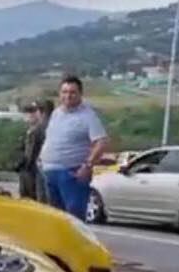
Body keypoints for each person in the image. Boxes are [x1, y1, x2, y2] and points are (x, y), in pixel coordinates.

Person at [38, 76, 109, 220]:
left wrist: (87, 165)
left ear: (80, 94)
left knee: (73, 218)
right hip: (49, 172)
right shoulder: (56, 113)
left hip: (71, 173)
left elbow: (101, 141)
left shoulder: (88, 116)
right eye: (64, 92)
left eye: (72, 92)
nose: (67, 96)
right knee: (54, 218)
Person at [15, 101, 47, 201]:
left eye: (33, 111)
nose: (29, 115)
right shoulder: (28, 131)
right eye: (27, 112)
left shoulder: (41, 131)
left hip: (35, 171)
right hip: (26, 171)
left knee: (36, 199)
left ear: (39, 113)